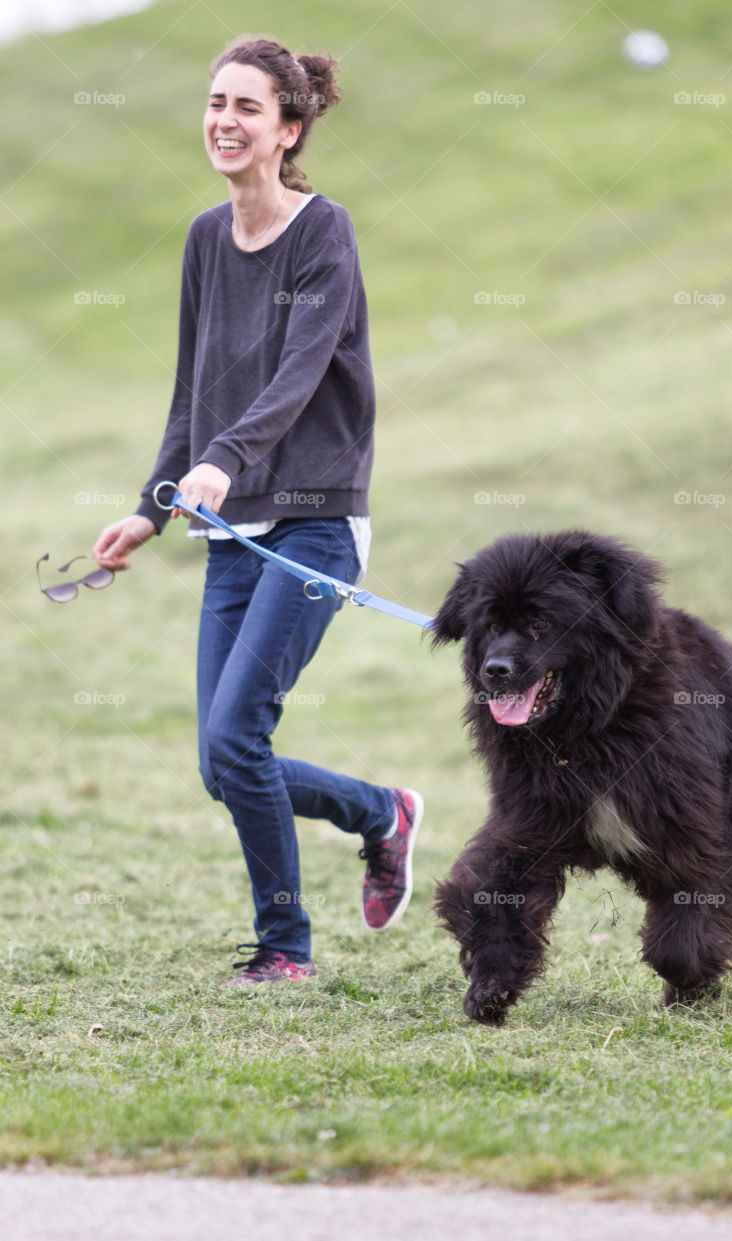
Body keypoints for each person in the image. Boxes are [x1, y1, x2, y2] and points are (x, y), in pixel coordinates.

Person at [93, 35, 423, 986]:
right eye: (214, 103)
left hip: (316, 521)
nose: (224, 121)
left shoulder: (325, 232)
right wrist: (154, 508)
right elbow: (194, 395)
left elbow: (299, 370)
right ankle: (380, 813)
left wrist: (225, 462)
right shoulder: (205, 238)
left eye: (247, 107)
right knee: (221, 758)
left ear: (288, 129)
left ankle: (285, 948)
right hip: (232, 531)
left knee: (238, 737)